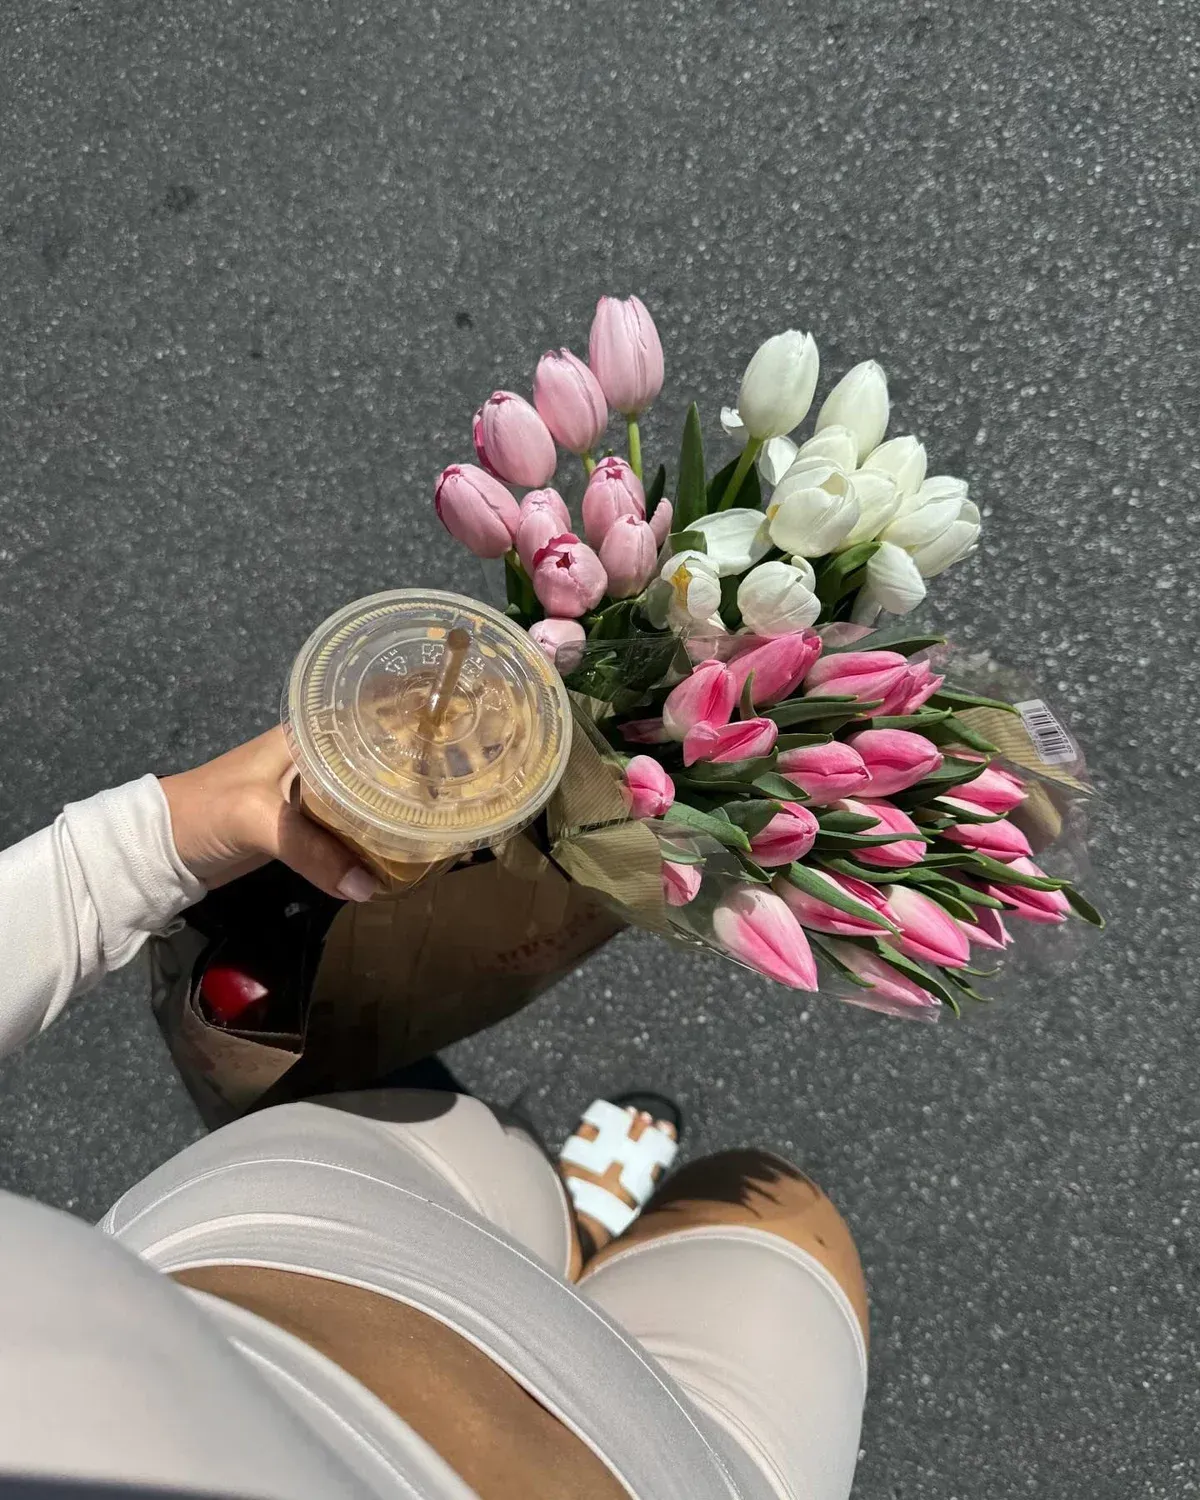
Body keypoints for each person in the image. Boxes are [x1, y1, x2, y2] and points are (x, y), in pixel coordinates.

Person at [0, 729, 869, 1500]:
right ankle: (575, 1238)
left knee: (496, 1157)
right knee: (773, 1202)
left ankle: (565, 1226)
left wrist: (126, 853)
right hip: (676, 1465)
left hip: (290, 1231)